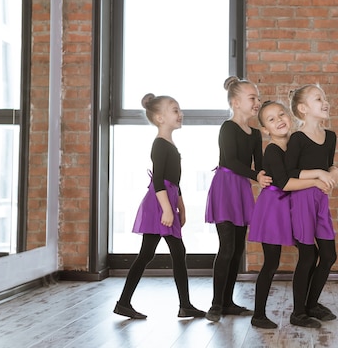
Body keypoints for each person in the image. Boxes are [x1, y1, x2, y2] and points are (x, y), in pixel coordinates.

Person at [113, 93, 205, 320]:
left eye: (179, 109)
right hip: (158, 203)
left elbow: (174, 181)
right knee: (171, 252)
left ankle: (125, 303)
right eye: (174, 110)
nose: (180, 113)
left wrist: (181, 207)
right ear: (159, 118)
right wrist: (166, 209)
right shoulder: (160, 145)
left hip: (166, 200)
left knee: (148, 254)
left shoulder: (169, 144)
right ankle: (184, 305)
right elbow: (158, 181)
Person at [248, 101, 334, 329]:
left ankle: (305, 307)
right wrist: (316, 179)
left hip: (291, 205)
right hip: (273, 209)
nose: (279, 120)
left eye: (281, 114)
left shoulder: (296, 144)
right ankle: (258, 314)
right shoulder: (273, 150)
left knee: (310, 253)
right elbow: (285, 183)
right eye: (271, 119)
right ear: (265, 130)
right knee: (272, 261)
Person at [204, 76, 272, 322]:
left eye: (258, 98)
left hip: (242, 189)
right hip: (226, 187)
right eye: (252, 98)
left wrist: (269, 173)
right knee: (227, 247)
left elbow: (261, 165)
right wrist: (256, 175)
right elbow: (231, 161)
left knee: (238, 250)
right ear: (235, 102)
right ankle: (215, 304)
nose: (257, 102)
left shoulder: (255, 134)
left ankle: (228, 302)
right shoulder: (228, 128)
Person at [285, 84, 338, 328]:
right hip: (300, 201)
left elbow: (330, 166)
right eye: (319, 98)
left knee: (329, 255)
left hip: (320, 201)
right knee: (308, 256)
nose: (325, 102)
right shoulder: (297, 139)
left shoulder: (330, 137)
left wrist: (333, 174)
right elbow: (289, 173)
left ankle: (312, 304)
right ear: (303, 109)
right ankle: (298, 313)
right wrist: (318, 174)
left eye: (325, 98)